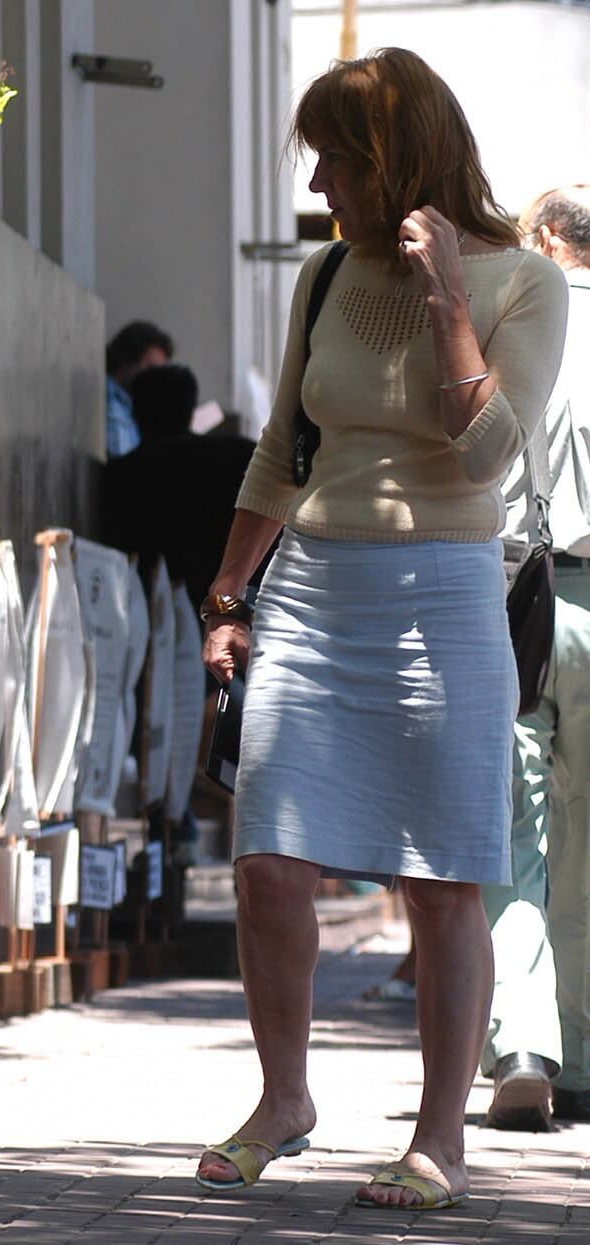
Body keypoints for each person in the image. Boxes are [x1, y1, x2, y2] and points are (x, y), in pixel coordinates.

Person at [194, 48, 567, 1211]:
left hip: (443, 594)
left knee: (442, 878)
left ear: (396, 160)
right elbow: (280, 447)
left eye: (337, 162)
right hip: (311, 587)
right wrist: (227, 595)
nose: (319, 187)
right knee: (267, 860)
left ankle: (438, 1137)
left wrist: (448, 296)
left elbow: (489, 455)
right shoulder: (320, 275)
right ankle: (284, 1101)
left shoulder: (523, 283)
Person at [481, 186, 590, 1131]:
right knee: (588, 839)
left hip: (518, 594)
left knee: (514, 831)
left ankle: (523, 1040)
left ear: (548, 240)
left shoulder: (515, 322)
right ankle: (583, 1057)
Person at [102, 363, 257, 610]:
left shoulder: (125, 476)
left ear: (137, 414)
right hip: (240, 600)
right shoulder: (243, 456)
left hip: (159, 613)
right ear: (191, 408)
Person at [105, 320, 173, 458]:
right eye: (151, 369)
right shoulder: (105, 397)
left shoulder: (137, 408)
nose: (157, 380)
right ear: (127, 361)